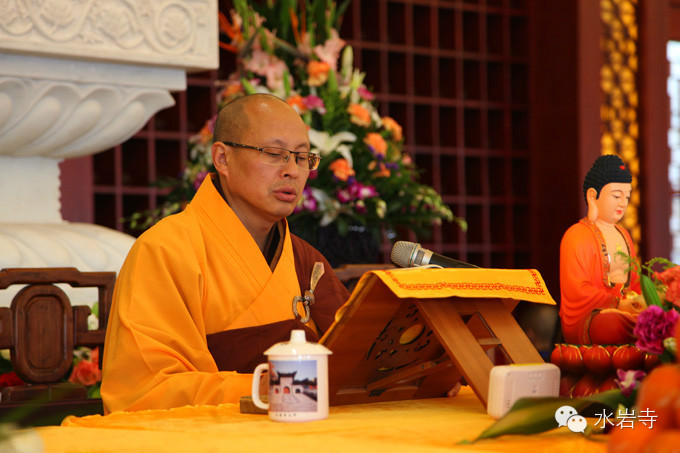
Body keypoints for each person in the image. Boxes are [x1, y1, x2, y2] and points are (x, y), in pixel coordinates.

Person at [101, 94, 350, 413]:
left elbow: (353, 360)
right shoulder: (164, 250)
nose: (292, 171)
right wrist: (265, 388)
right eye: (274, 154)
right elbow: (144, 392)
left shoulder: (305, 260)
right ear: (222, 158)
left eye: (302, 158)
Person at [559, 154, 644, 345]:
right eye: (616, 196)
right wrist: (618, 304)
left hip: (626, 310)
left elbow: (635, 282)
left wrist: (644, 300)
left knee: (660, 317)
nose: (623, 203)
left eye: (627, 196)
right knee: (614, 324)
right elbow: (577, 291)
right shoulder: (577, 235)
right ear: (593, 196)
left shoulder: (624, 234)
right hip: (592, 317)